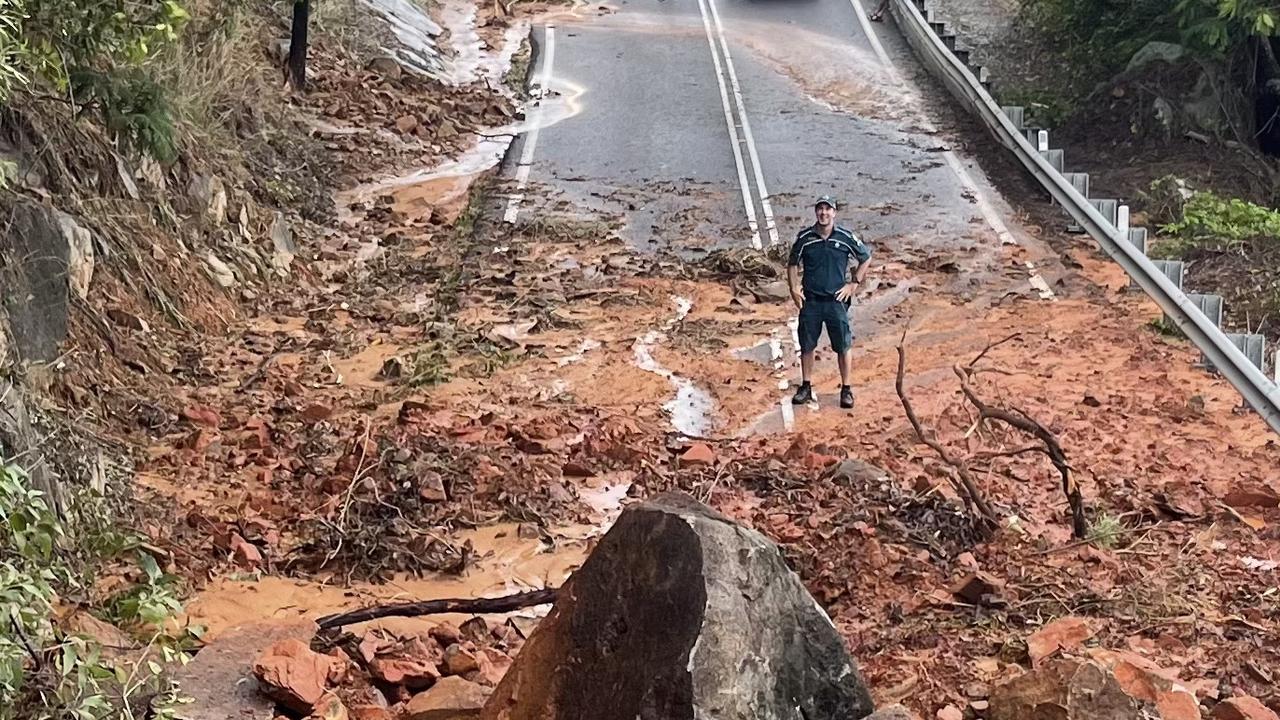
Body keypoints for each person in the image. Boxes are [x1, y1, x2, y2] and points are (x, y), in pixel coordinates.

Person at [787, 195, 872, 409]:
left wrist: (853, 284)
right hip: (812, 302)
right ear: (816, 212)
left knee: (843, 346)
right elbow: (792, 263)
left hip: (836, 301)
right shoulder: (805, 238)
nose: (824, 213)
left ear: (834, 212)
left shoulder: (845, 237)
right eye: (820, 209)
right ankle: (806, 386)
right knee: (807, 344)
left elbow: (866, 258)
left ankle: (846, 389)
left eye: (828, 209)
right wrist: (794, 289)